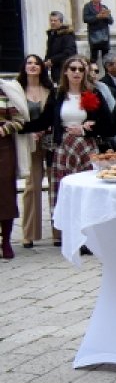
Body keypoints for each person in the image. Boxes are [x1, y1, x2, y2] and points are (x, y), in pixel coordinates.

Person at [25, 55, 116, 247]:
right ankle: (71, 235)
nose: (76, 72)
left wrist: (86, 128)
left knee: (88, 192)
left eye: (81, 69)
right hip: (64, 148)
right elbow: (44, 120)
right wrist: (18, 126)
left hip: (86, 146)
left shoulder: (94, 94)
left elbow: (109, 125)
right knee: (66, 193)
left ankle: (89, 236)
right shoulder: (58, 96)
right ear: (65, 71)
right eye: (73, 69)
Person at [14, 56, 54, 249]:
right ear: (24, 67)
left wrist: (44, 129)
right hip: (28, 143)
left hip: (50, 142)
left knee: (56, 186)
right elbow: (14, 116)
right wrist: (31, 130)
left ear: (41, 68)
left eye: (36, 63)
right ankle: (29, 233)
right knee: (32, 186)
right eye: (29, 63)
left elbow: (54, 115)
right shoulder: (16, 90)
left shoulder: (50, 90)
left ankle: (58, 233)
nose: (32, 66)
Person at [0, 78, 29, 259]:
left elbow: (19, 119)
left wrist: (4, 129)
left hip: (3, 148)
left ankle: (6, 241)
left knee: (5, 193)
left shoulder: (5, 91)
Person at [44, 12, 77, 83]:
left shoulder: (67, 35)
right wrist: (46, 62)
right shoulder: (51, 36)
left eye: (55, 21)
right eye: (51, 20)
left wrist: (52, 60)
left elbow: (69, 52)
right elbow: (49, 52)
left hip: (64, 69)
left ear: (61, 22)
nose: (52, 23)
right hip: (54, 70)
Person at [82, 0, 112, 64]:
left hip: (104, 36)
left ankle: (106, 73)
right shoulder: (87, 7)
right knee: (93, 57)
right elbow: (85, 19)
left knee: (106, 58)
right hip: (94, 36)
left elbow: (111, 21)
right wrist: (96, 17)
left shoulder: (104, 7)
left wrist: (107, 16)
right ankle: (93, 73)